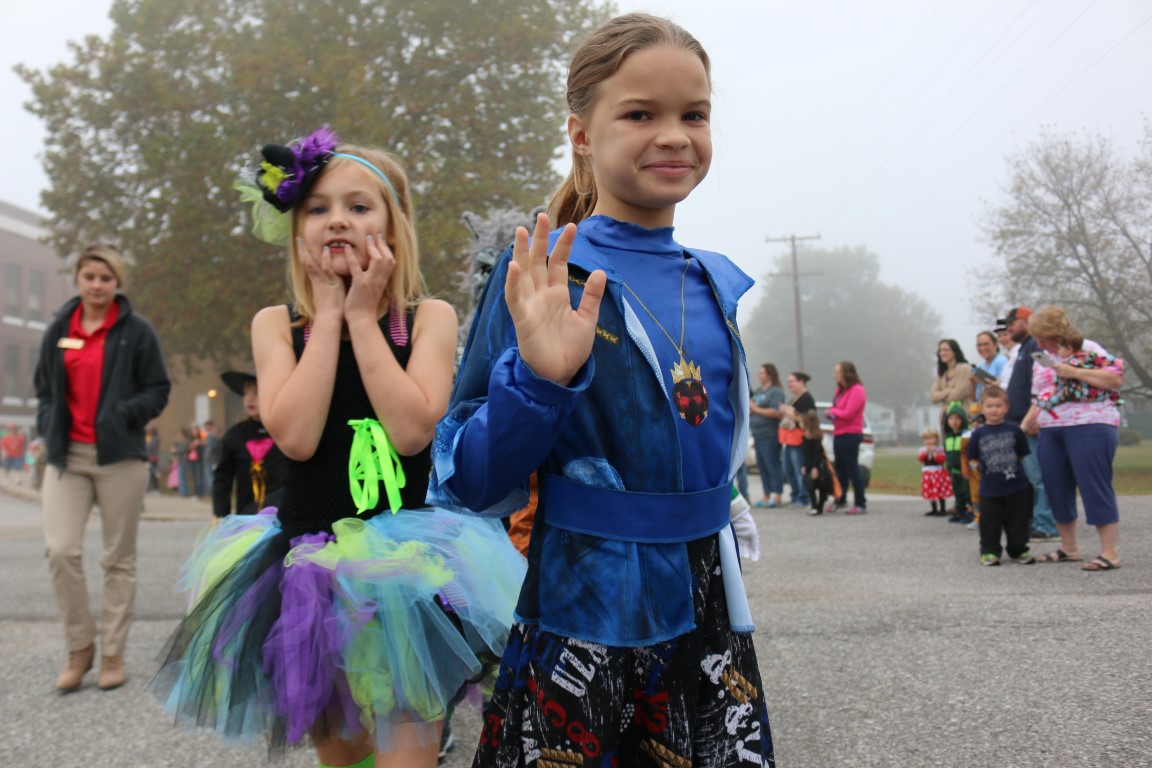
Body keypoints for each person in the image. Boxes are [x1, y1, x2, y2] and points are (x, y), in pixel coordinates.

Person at [428, 13, 774, 766]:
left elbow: (698, 435)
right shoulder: (547, 273)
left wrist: (727, 499)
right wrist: (539, 382)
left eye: (694, 115)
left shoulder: (712, 283)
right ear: (581, 133)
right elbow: (471, 481)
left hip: (708, 617)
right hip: (583, 615)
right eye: (640, 114)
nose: (674, 136)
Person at [149, 128, 526, 766]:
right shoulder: (277, 324)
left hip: (410, 567)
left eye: (358, 206)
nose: (337, 221)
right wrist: (327, 317)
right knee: (344, 753)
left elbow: (411, 430)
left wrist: (361, 317)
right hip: (309, 573)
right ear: (298, 231)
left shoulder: (428, 317)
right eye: (318, 208)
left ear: (393, 227)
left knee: (408, 745)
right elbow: (295, 437)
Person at [33, 244, 171, 692]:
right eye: (89, 277)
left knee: (118, 558)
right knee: (60, 550)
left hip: (120, 457)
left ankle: (113, 653)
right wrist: (49, 423)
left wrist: (123, 414)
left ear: (117, 283)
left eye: (105, 278)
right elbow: (44, 390)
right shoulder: (59, 328)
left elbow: (158, 388)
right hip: (67, 456)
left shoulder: (136, 331)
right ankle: (80, 648)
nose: (96, 285)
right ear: (78, 279)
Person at [1024, 307, 1124, 571]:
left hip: (1090, 424)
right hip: (1051, 428)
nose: (1038, 343)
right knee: (1055, 486)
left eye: (1041, 337)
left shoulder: (1087, 348)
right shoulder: (1042, 358)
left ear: (1054, 333)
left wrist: (1075, 372)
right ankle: (1069, 548)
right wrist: (1027, 422)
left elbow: (1114, 379)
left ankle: (1109, 552)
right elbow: (1040, 395)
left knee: (1094, 485)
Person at [1002, 307, 1059, 541]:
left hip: (1032, 422)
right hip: (1020, 423)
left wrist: (1036, 415)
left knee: (1040, 476)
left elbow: (1048, 381)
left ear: (1027, 321)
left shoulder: (1036, 346)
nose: (1008, 327)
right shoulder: (1024, 348)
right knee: (1031, 477)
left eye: (1012, 322)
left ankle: (1047, 525)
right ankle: (1036, 519)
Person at [967, 387, 1034, 566]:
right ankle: (989, 551)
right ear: (982, 408)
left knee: (1018, 521)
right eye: (989, 406)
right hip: (990, 488)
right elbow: (972, 458)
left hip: (1016, 486)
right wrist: (977, 468)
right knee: (990, 522)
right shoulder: (978, 434)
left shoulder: (1015, 430)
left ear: (1006, 407)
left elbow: (1021, 455)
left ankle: (1018, 550)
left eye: (998, 406)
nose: (994, 410)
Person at [211, 370, 288, 518]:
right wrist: (221, 515)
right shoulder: (235, 435)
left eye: (257, 393)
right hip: (246, 516)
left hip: (282, 515)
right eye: (246, 393)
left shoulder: (286, 432)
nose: (249, 399)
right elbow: (222, 478)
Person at [827, 360, 868, 514]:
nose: (835, 375)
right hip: (838, 432)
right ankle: (840, 498)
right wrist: (832, 413)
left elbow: (848, 413)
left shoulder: (857, 390)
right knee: (840, 469)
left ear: (847, 373)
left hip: (851, 433)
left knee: (852, 469)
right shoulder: (840, 390)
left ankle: (860, 502)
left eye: (838, 372)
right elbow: (836, 408)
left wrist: (833, 412)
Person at [750, 363, 786, 507]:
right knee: (762, 466)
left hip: (770, 434)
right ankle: (766, 493)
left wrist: (756, 409)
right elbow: (752, 407)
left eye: (762, 373)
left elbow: (776, 412)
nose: (760, 376)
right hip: (757, 434)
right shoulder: (759, 391)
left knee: (772, 464)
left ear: (770, 375)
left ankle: (776, 495)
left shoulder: (776, 392)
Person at [779, 371, 816, 508]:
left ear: (801, 382)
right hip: (789, 439)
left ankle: (804, 496)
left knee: (799, 469)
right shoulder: (794, 398)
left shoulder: (806, 399)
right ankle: (795, 495)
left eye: (792, 381)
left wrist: (788, 412)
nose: (789, 385)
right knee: (789, 469)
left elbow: (805, 419)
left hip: (800, 439)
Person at [930, 339, 974, 428]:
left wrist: (941, 395)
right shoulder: (941, 373)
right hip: (946, 419)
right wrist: (949, 391)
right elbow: (933, 397)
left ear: (954, 351)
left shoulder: (965, 368)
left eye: (946, 350)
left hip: (964, 417)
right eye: (940, 350)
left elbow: (958, 394)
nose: (942, 353)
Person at [942, 404, 973, 524]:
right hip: (954, 471)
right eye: (951, 418)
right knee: (958, 492)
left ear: (963, 420)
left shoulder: (965, 436)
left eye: (957, 418)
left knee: (967, 493)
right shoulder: (948, 438)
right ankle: (959, 512)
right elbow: (947, 453)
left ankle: (970, 513)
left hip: (965, 471)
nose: (954, 421)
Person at [801, 410, 835, 517]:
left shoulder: (814, 439)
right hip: (809, 466)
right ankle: (815, 506)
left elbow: (817, 455)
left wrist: (815, 467)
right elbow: (806, 455)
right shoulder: (806, 437)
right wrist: (804, 465)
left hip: (815, 467)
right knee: (810, 487)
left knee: (819, 486)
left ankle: (817, 507)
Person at [918, 427, 951, 517]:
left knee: (939, 490)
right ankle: (934, 509)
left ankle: (942, 509)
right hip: (928, 473)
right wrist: (926, 452)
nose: (928, 441)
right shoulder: (922, 449)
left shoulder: (940, 449)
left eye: (931, 438)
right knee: (931, 490)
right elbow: (921, 459)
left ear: (936, 439)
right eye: (926, 439)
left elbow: (941, 460)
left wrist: (934, 453)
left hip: (938, 473)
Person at [971, 330, 1008, 404]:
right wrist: (972, 382)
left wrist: (986, 383)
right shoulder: (982, 365)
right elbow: (976, 397)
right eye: (979, 345)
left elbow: (1007, 387)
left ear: (995, 344)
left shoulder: (1002, 361)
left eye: (986, 344)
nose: (982, 348)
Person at [200, 419, 220, 497]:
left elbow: (212, 446)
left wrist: (208, 456)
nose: (206, 428)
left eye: (207, 426)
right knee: (209, 476)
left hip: (210, 459)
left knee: (210, 476)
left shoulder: (212, 435)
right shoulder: (209, 435)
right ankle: (211, 492)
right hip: (210, 458)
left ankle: (214, 492)